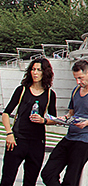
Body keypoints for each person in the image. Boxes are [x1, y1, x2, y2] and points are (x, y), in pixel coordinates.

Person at [41, 59, 88, 186]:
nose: (78, 82)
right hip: (71, 136)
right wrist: (62, 119)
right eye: (76, 78)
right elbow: (71, 114)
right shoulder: (75, 91)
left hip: (87, 139)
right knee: (48, 172)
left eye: (80, 78)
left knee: (71, 177)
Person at [1, 58, 57, 186]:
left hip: (37, 142)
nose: (35, 73)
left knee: (30, 181)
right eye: (33, 69)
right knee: (7, 179)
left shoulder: (50, 94)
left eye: (39, 70)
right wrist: (9, 134)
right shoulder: (22, 90)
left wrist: (44, 120)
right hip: (17, 140)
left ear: (45, 72)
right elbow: (5, 113)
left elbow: (54, 120)